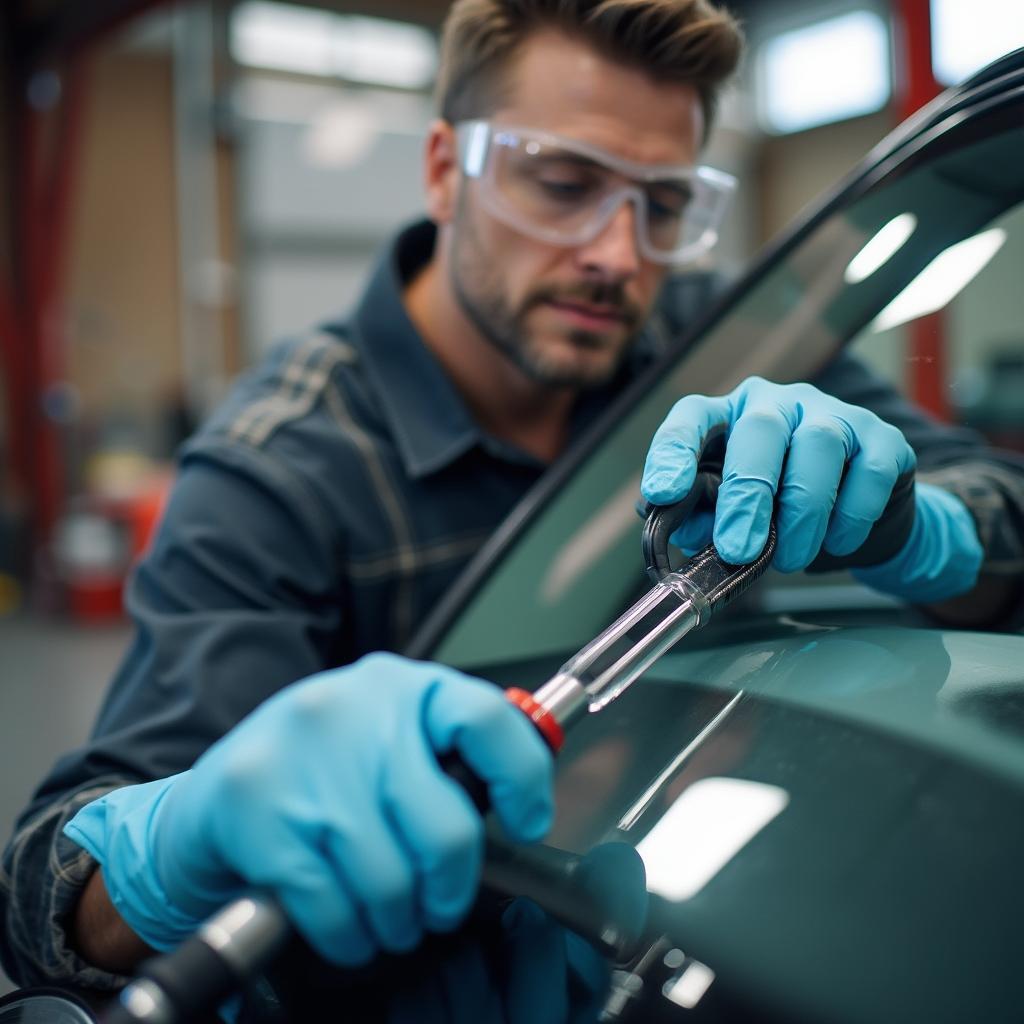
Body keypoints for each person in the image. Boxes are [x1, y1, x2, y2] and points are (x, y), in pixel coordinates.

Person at [3, 0, 1023, 1002]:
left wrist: (913, 525)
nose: (617, 255)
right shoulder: (282, 467)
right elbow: (50, 895)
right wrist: (182, 843)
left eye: (662, 205)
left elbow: (1002, 506)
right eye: (564, 183)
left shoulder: (717, 341)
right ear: (447, 170)